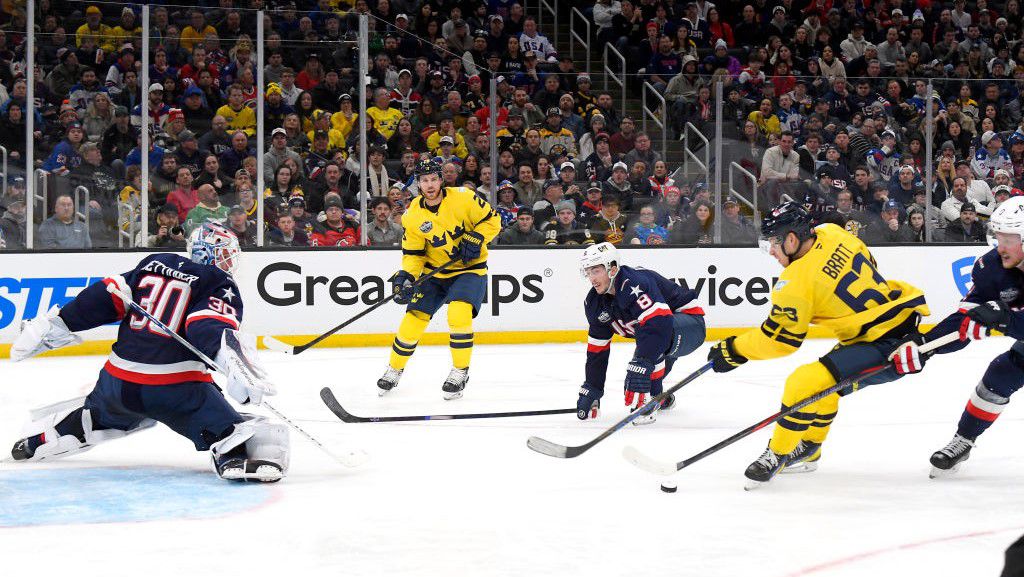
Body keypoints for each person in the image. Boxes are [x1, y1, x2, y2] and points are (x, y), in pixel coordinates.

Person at [8, 223, 287, 482]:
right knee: (233, 430)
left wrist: (55, 325)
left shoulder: (155, 263)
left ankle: (41, 440)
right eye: (225, 254)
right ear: (211, 253)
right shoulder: (217, 282)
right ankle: (233, 455)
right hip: (173, 390)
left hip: (115, 384)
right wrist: (233, 363)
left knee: (97, 416)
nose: (229, 261)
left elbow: (102, 298)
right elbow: (206, 327)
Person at [707, 201, 929, 489]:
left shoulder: (794, 282)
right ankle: (810, 447)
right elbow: (869, 261)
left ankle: (778, 453)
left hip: (888, 347)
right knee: (824, 383)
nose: (771, 252)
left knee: (804, 381)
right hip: (898, 320)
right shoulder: (833, 232)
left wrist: (735, 350)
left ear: (791, 239)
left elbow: (780, 341)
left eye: (773, 244)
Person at [892, 197, 1024, 478]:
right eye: (998, 237)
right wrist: (925, 345)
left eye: (1009, 239)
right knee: (1001, 374)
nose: (1001, 246)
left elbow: (1005, 320)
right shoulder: (992, 266)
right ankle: (964, 440)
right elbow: (965, 318)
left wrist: (1003, 320)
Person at [377, 158, 501, 400]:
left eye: (434, 179)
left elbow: (493, 220)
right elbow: (413, 254)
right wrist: (406, 276)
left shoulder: (464, 197)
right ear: (418, 184)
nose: (430, 184)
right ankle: (395, 368)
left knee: (458, 314)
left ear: (441, 179)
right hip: (434, 272)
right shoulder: (412, 215)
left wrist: (477, 237)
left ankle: (460, 371)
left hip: (469, 269)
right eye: (425, 180)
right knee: (412, 320)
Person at [578, 242, 706, 425]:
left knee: (643, 361)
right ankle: (660, 396)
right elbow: (597, 350)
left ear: (612, 269)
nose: (592, 278)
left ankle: (654, 396)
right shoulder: (594, 303)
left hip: (689, 324)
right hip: (657, 335)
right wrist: (593, 387)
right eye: (588, 272)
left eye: (596, 271)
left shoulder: (635, 284)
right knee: (638, 373)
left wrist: (643, 363)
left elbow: (659, 324)